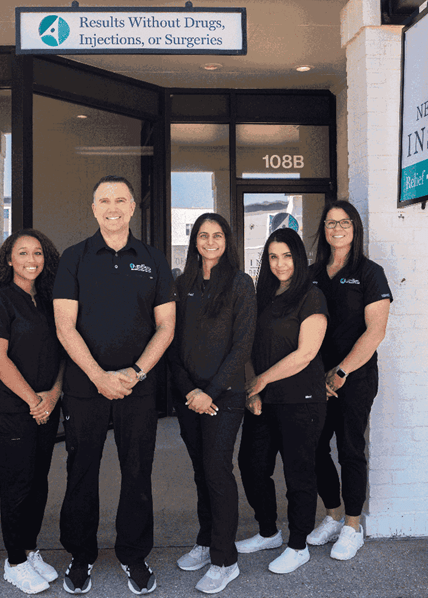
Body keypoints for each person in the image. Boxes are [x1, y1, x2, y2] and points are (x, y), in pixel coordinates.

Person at [54, 175, 176, 595]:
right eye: (104, 200)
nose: (112, 207)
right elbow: (64, 326)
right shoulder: (75, 257)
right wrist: (99, 376)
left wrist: (136, 373)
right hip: (85, 386)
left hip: (136, 388)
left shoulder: (153, 259)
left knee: (137, 472)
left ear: (132, 208)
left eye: (120, 200)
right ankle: (80, 555)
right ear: (93, 209)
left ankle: (134, 554)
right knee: (81, 472)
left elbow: (166, 325)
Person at [167, 213, 255, 594]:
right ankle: (206, 541)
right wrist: (190, 390)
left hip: (225, 396)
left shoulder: (240, 283)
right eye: (203, 235)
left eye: (217, 235)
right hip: (189, 397)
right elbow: (171, 342)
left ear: (227, 240)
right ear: (195, 242)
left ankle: (224, 560)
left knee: (217, 471)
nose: (210, 241)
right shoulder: (182, 283)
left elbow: (242, 345)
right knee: (201, 470)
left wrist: (210, 392)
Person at [235, 228, 329, 575]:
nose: (280, 264)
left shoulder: (312, 296)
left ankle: (298, 545)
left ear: (299, 258)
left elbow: (306, 353)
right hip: (264, 400)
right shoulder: (261, 295)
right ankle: (269, 532)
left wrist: (261, 380)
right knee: (251, 465)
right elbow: (246, 345)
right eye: (273, 257)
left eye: (287, 256)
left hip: (301, 400)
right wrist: (253, 389)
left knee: (298, 473)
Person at [306, 201, 392, 561]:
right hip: (315, 378)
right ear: (323, 229)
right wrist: (317, 374)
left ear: (355, 229)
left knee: (350, 449)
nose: (337, 229)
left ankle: (353, 527)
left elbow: (376, 331)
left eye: (344, 223)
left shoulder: (370, 273)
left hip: (354, 376)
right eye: (330, 223)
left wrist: (341, 371)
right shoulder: (312, 273)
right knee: (314, 447)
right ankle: (333, 515)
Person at [0, 229, 63, 595]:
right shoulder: (0, 301)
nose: (32, 259)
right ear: (9, 260)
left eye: (38, 253)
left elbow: (62, 353)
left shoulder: (46, 301)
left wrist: (54, 395)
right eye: (23, 253)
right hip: (14, 409)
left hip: (46, 407)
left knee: (38, 482)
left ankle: (29, 550)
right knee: (17, 485)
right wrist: (33, 400)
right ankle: (14, 562)